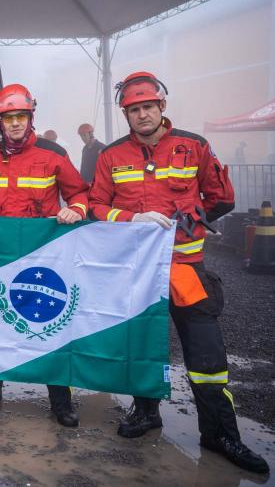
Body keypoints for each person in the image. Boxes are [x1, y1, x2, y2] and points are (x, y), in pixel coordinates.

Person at [89, 71, 268, 474]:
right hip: (137, 273)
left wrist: (192, 218)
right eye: (133, 109)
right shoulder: (111, 156)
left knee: (207, 357)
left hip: (185, 270)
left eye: (148, 107)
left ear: (162, 106)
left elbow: (222, 198)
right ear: (125, 114)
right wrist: (130, 218)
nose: (142, 114)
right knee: (140, 347)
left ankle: (220, 434)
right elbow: (96, 206)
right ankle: (146, 412)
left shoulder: (194, 146)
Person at [0, 84, 88, 427]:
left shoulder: (54, 153)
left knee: (48, 322)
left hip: (44, 255)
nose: (15, 123)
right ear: (0, 122)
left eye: (21, 116)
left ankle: (60, 400)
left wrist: (76, 209)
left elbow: (78, 193)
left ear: (31, 117)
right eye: (8, 118)